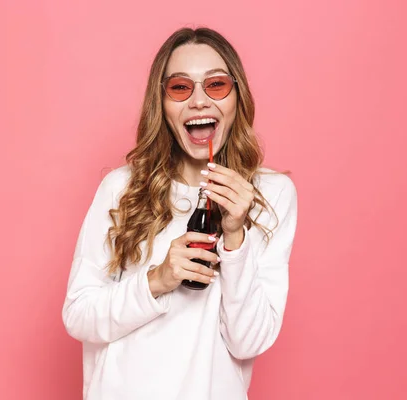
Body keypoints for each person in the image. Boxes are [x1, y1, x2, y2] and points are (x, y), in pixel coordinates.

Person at [62, 27, 298, 400]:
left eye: (216, 85)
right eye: (180, 87)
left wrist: (235, 239)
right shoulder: (121, 187)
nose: (199, 102)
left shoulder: (269, 194)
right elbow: (79, 315)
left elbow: (248, 341)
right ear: (163, 103)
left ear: (237, 97)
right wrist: (158, 279)